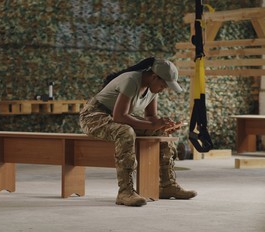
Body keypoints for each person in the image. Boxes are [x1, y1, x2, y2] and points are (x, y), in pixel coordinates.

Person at [79, 57, 197, 206]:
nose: (164, 89)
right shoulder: (131, 80)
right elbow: (120, 116)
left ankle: (167, 186)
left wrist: (162, 125)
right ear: (154, 77)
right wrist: (152, 125)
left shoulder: (153, 88)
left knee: (161, 133)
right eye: (163, 85)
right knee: (125, 132)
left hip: (116, 116)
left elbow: (151, 117)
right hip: (94, 115)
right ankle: (125, 192)